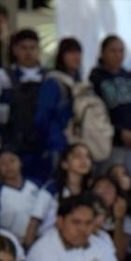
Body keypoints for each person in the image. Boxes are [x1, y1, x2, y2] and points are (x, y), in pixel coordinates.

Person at [0, 29, 48, 182]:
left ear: (39, 50)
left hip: (43, 148)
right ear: (15, 50)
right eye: (23, 48)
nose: (28, 52)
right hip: (11, 147)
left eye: (32, 48)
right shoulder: (1, 76)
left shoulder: (50, 77)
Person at [90, 36, 131, 189]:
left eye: (120, 51)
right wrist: (119, 132)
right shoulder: (95, 79)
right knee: (109, 186)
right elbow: (97, 114)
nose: (117, 55)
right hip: (109, 145)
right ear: (102, 53)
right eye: (112, 51)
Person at [25, 143, 92, 248]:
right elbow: (34, 221)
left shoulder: (89, 193)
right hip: (47, 244)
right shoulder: (52, 189)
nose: (83, 160)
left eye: (87, 157)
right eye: (77, 156)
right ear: (64, 163)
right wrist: (29, 248)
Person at [34, 38, 83, 171]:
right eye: (71, 53)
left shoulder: (81, 84)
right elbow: (42, 118)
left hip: (80, 143)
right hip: (58, 144)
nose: (76, 57)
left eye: (78, 53)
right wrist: (54, 136)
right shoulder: (53, 83)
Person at [0, 149, 42, 240]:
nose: (8, 166)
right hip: (10, 240)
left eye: (12, 161)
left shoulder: (36, 185)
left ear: (20, 162)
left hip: (40, 238)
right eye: (3, 163)